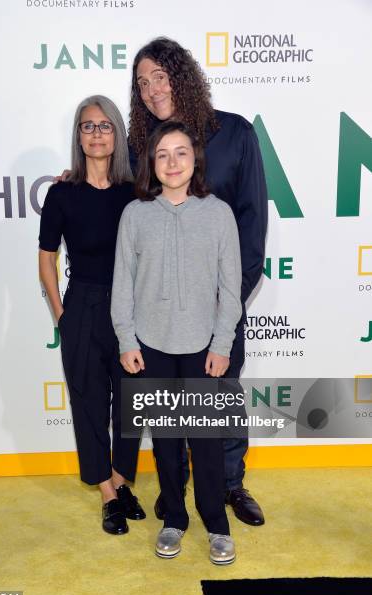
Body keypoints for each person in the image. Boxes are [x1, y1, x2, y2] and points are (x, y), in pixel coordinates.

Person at [129, 37, 268, 526]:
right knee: (171, 411)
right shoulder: (140, 144)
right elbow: (127, 214)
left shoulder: (235, 134)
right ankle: (176, 494)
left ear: (181, 76)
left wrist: (224, 306)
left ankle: (230, 484)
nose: (150, 90)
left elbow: (252, 227)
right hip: (163, 314)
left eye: (159, 77)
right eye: (142, 83)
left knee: (221, 396)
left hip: (217, 307)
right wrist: (74, 177)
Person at [111, 121, 242, 564]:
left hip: (203, 348)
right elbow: (122, 286)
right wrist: (128, 340)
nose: (172, 162)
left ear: (195, 159)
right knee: (166, 440)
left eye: (181, 152)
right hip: (152, 346)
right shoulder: (135, 215)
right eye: (162, 154)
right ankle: (174, 520)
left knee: (205, 441)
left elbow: (231, 288)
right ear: (151, 162)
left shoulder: (219, 214)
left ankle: (217, 526)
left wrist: (222, 344)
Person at [39, 95, 145, 536]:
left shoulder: (136, 191)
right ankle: (106, 493)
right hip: (81, 306)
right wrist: (63, 316)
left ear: (117, 134)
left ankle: (122, 482)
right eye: (88, 126)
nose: (97, 133)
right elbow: (46, 259)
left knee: (131, 404)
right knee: (88, 404)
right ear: (78, 136)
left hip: (130, 313)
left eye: (105, 126)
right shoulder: (61, 192)